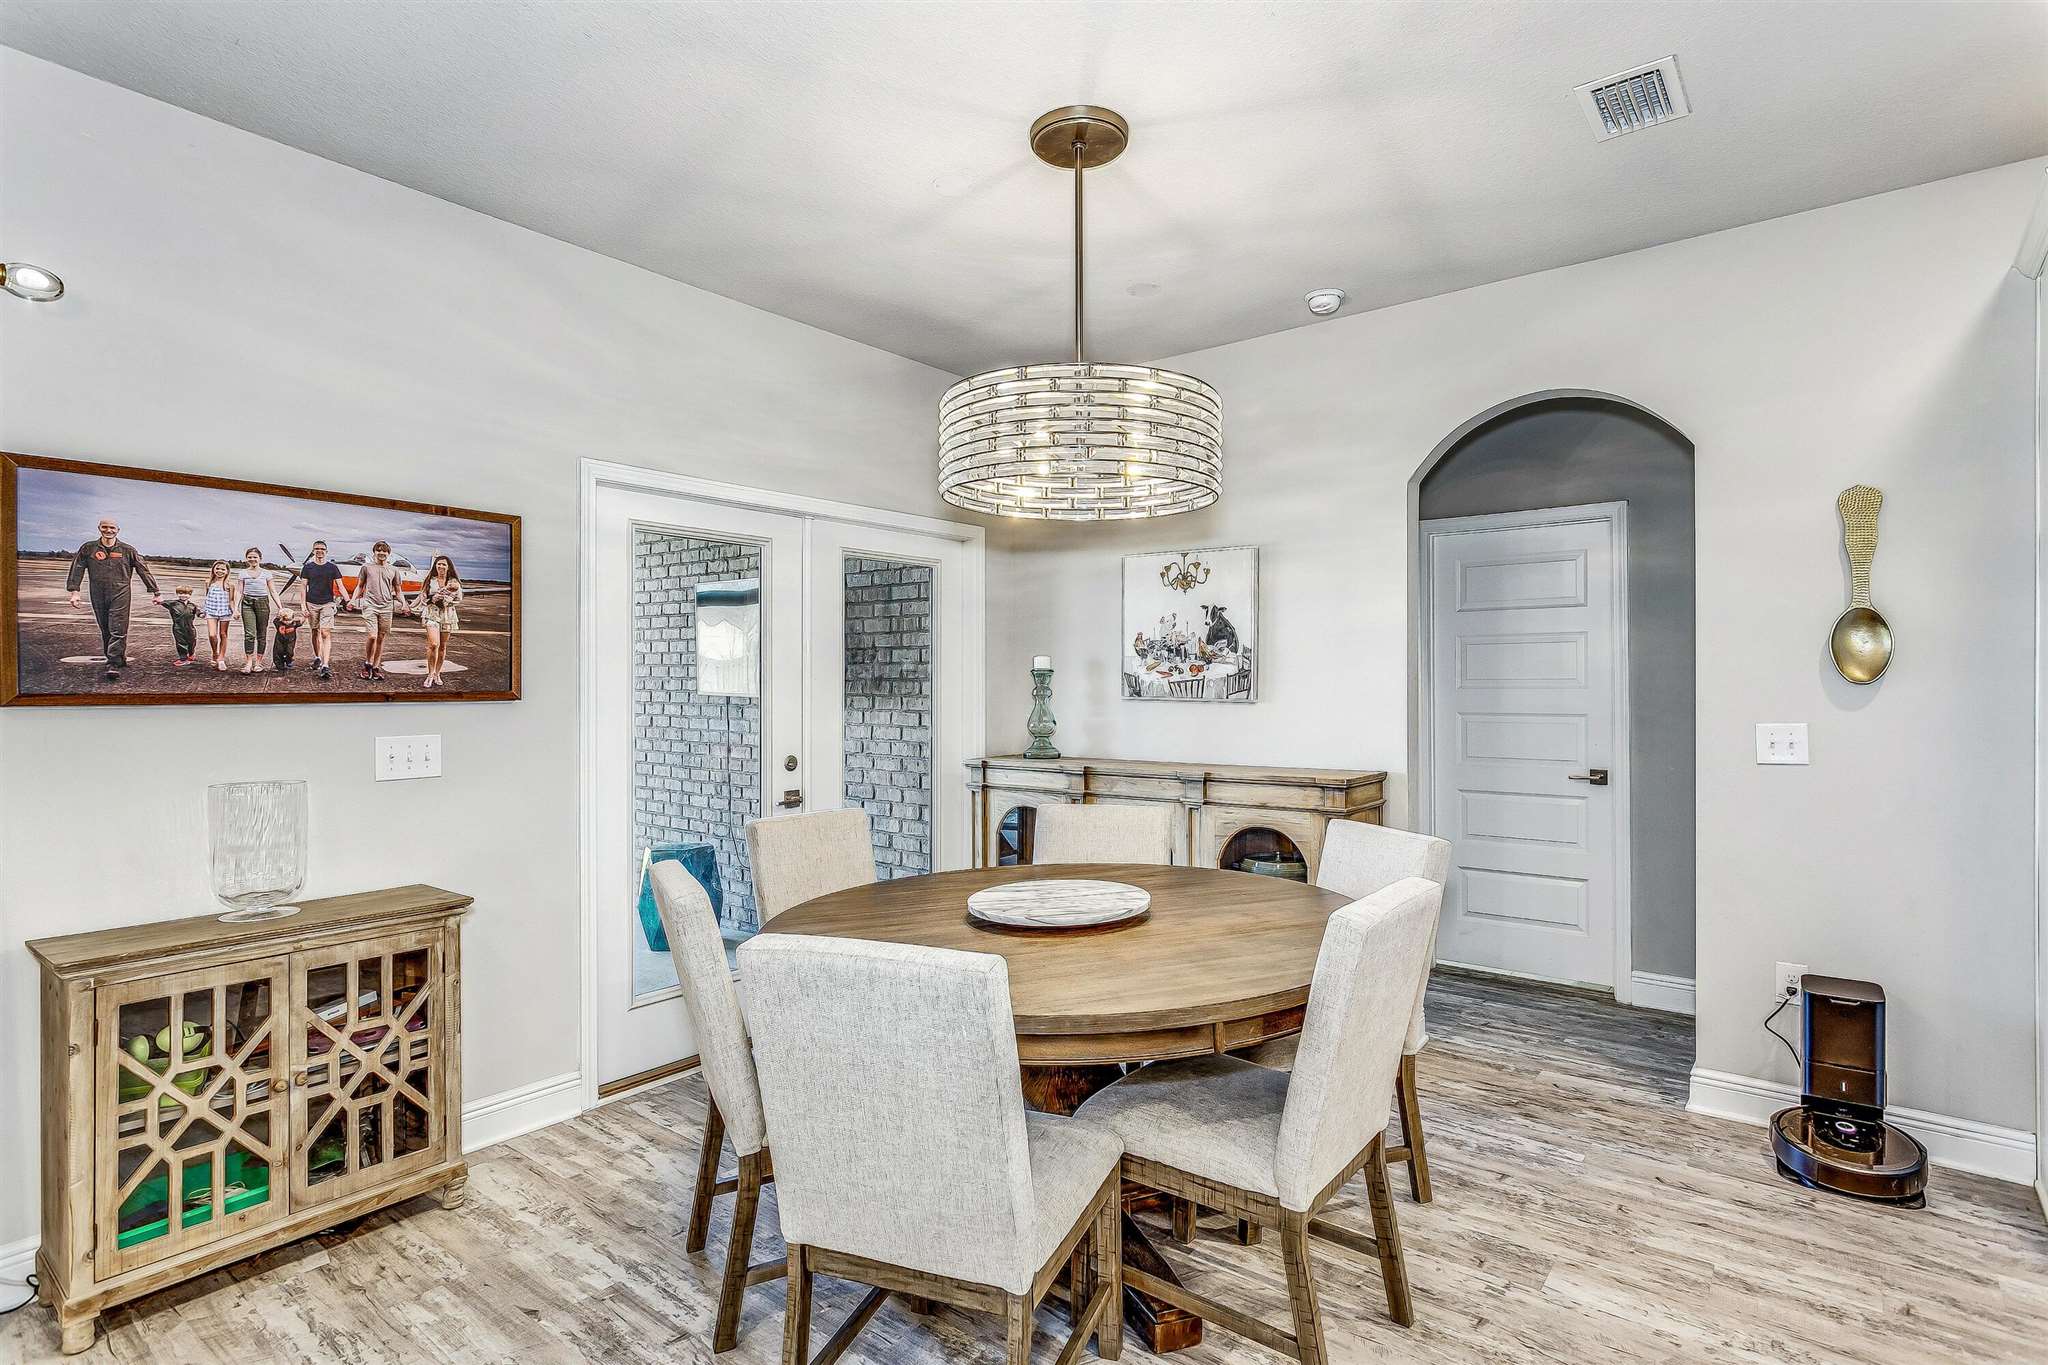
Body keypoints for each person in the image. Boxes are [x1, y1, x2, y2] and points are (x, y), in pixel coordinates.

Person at [65, 517, 162, 681]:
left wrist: (155, 591)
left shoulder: (127, 550)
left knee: (118, 627)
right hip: (97, 591)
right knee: (105, 627)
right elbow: (77, 569)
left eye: (112, 528)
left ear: (118, 530)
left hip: (121, 591)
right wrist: (75, 591)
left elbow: (143, 570)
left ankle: (113, 663)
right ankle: (118, 658)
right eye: (105, 527)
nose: (108, 530)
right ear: (99, 528)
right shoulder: (88, 548)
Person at [349, 541, 411, 683]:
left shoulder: (394, 570)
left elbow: (398, 590)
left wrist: (404, 604)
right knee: (372, 636)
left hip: (386, 607)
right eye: (379, 550)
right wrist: (353, 600)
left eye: (384, 551)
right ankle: (367, 664)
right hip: (370, 605)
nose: (381, 553)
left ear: (388, 554)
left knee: (381, 637)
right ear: (374, 552)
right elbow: (360, 586)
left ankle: (375, 667)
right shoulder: (366, 568)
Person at [296, 540, 346, 682]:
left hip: (328, 603)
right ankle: (317, 657)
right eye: (317, 548)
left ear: (326, 551)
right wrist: (303, 606)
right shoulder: (308, 568)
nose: (319, 550)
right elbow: (303, 587)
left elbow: (340, 586)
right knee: (315, 631)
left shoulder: (332, 568)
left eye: (322, 548)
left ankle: (325, 665)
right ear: (313, 551)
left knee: (325, 632)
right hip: (312, 603)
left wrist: (348, 599)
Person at [230, 546, 281, 675]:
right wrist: (235, 608)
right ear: (246, 559)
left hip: (262, 603)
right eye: (250, 557)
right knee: (249, 634)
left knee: (262, 634)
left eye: (255, 557)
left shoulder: (267, 573)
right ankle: (248, 662)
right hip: (247, 603)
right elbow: (239, 591)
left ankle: (258, 663)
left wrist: (280, 607)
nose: (252, 559)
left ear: (260, 558)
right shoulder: (242, 573)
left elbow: (273, 591)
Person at [415, 554, 462, 690]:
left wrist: (448, 601)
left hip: (447, 615)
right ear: (435, 566)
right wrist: (432, 599)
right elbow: (423, 597)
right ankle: (430, 674)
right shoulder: (430, 580)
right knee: (434, 644)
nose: (441, 566)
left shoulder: (454, 582)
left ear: (448, 567)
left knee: (442, 647)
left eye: (444, 564)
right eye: (439, 564)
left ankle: (437, 673)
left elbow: (459, 598)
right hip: (431, 613)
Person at [198, 561, 235, 671]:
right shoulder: (208, 582)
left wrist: (235, 611)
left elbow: (231, 600)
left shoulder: (230, 585)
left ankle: (221, 659)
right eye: (217, 568)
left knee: (223, 634)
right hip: (211, 611)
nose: (220, 571)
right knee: (212, 635)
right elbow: (207, 597)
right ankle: (215, 653)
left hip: (225, 612)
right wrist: (203, 610)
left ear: (227, 571)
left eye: (223, 569)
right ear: (213, 569)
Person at [160, 587, 199, 667]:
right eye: (181, 593)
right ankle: (183, 658)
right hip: (178, 627)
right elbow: (162, 602)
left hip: (190, 626)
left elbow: (198, 611)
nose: (183, 595)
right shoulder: (173, 603)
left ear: (190, 595)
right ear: (177, 594)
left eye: (186, 593)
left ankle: (191, 654)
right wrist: (157, 599)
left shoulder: (192, 605)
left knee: (192, 641)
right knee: (181, 642)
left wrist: (201, 614)